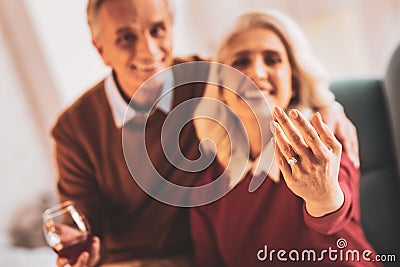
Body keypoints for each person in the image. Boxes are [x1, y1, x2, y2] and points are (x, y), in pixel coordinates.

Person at [52, 0, 359, 266]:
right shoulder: (73, 131)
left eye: (157, 29)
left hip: (191, 252)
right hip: (128, 260)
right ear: (101, 49)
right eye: (126, 38)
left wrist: (330, 106)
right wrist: (83, 249)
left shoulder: (209, 76)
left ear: (172, 28)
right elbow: (83, 223)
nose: (148, 49)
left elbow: (271, 81)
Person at [191, 10, 380, 266]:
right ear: (221, 88)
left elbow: (336, 210)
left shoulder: (323, 139)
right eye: (241, 62)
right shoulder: (208, 183)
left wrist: (322, 196)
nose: (258, 72)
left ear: (293, 81)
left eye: (273, 59)